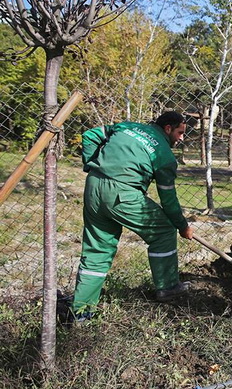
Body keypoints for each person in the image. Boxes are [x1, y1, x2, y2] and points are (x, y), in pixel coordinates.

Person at [71, 111, 194, 321]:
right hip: (122, 194)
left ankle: (82, 313)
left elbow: (90, 135)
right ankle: (168, 286)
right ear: (167, 128)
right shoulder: (164, 155)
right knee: (164, 231)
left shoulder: (127, 126)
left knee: (97, 251)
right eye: (180, 132)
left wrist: (93, 165)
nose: (182, 138)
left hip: (93, 188)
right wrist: (182, 226)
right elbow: (168, 199)